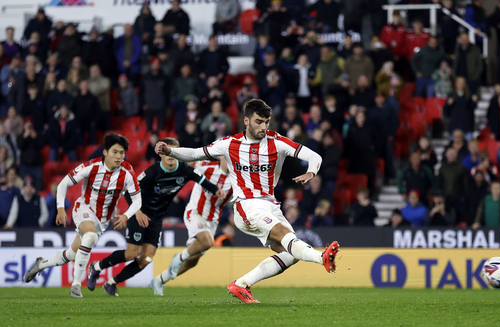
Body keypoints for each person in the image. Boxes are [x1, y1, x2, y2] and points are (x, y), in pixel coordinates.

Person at [154, 99, 339, 303]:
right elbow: (195, 154)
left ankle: (242, 284)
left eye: (267, 122)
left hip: (271, 206)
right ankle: (322, 258)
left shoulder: (277, 142)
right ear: (246, 121)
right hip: (246, 206)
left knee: (291, 254)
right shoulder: (229, 144)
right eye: (259, 122)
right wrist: (170, 152)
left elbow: (314, 156)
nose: (264, 127)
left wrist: (311, 171)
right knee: (286, 236)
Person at [88, 139, 226, 296]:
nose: (170, 155)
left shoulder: (184, 170)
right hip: (140, 213)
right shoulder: (152, 172)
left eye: (173, 151)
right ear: (161, 154)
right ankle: (97, 266)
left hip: (157, 218)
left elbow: (203, 181)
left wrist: (216, 191)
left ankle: (111, 283)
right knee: (132, 253)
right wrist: (137, 212)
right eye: (167, 151)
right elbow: (128, 192)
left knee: (146, 259)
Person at [23, 134, 141, 298]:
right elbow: (64, 183)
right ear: (105, 152)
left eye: (122, 153)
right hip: (84, 208)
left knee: (72, 254)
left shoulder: (127, 172)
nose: (119, 156)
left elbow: (137, 201)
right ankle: (76, 285)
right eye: (115, 152)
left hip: (103, 220)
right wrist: (61, 208)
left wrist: (127, 215)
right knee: (90, 236)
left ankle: (41, 264)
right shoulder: (92, 166)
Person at [141, 57, 170, 132]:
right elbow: (141, 91)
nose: (156, 66)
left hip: (161, 106)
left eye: (157, 64)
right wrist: (143, 103)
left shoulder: (165, 78)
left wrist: (166, 105)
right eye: (154, 64)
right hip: (148, 106)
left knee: (161, 129)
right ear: (150, 65)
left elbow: (167, 92)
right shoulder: (145, 78)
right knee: (149, 129)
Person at [17, 118, 45, 190]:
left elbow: (41, 146)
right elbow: (20, 146)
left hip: (36, 166)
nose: (29, 126)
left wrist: (35, 137)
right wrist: (25, 136)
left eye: (30, 124)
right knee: (23, 185)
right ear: (24, 125)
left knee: (38, 185)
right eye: (27, 124)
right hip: (24, 166)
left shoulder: (38, 135)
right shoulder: (20, 136)